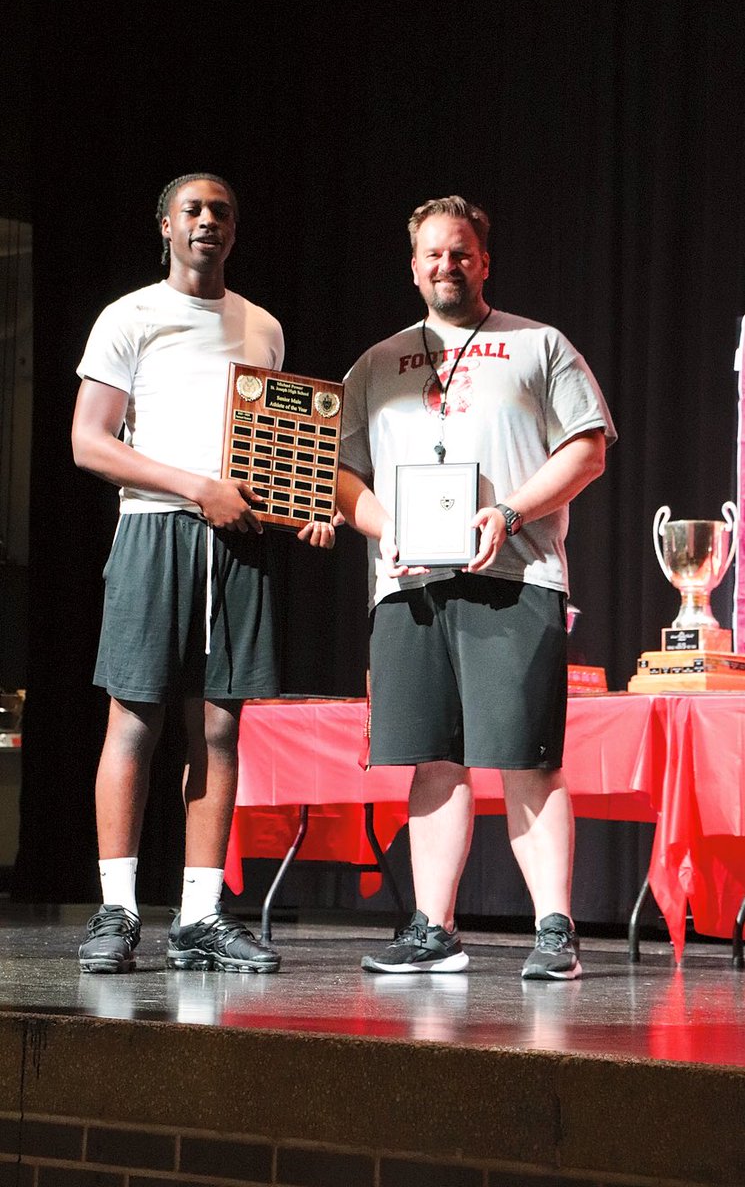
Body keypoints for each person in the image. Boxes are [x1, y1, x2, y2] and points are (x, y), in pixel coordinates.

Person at [338, 195, 616, 979]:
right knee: (433, 759)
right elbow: (341, 476)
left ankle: (554, 933)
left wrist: (510, 508)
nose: (446, 266)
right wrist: (382, 528)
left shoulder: (538, 346)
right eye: (432, 254)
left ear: (483, 261)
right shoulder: (374, 363)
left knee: (525, 757)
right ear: (413, 266)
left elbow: (587, 450)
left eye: (460, 252)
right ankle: (432, 930)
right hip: (408, 583)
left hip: (515, 572)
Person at [72, 172, 336, 974]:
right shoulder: (130, 316)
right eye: (192, 209)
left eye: (221, 211)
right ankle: (117, 911)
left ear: (235, 229)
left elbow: (275, 458)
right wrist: (196, 488)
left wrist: (303, 509)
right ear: (164, 225)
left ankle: (198, 917)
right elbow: (90, 442)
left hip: (237, 545)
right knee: (136, 720)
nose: (207, 222)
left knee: (218, 729)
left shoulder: (262, 328)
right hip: (154, 531)